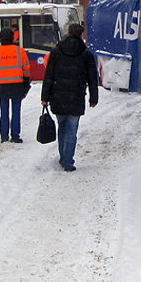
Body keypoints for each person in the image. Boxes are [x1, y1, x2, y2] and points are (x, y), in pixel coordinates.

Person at [40, 23, 99, 171]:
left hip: (58, 96)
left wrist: (45, 96)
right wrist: (93, 98)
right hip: (76, 96)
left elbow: (49, 75)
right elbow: (93, 78)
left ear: (67, 33)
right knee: (72, 130)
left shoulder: (56, 51)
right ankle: (67, 161)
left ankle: (63, 157)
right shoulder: (86, 54)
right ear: (81, 36)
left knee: (62, 127)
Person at [0, 27, 31, 142]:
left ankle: (4, 136)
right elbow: (26, 69)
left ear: (1, 39)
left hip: (2, 85)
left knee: (4, 111)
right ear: (13, 38)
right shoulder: (20, 51)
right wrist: (26, 84)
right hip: (17, 84)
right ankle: (15, 135)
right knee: (16, 110)